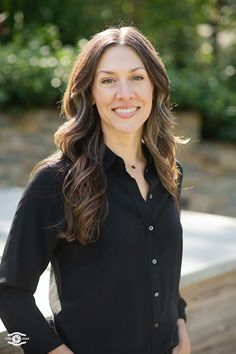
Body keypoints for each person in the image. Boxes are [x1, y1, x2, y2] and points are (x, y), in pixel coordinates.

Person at [0, 26, 191, 354]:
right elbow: (9, 293)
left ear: (155, 87)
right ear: (88, 92)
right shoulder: (56, 181)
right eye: (107, 80)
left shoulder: (167, 173)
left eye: (136, 77)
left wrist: (181, 331)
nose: (125, 93)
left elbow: (163, 268)